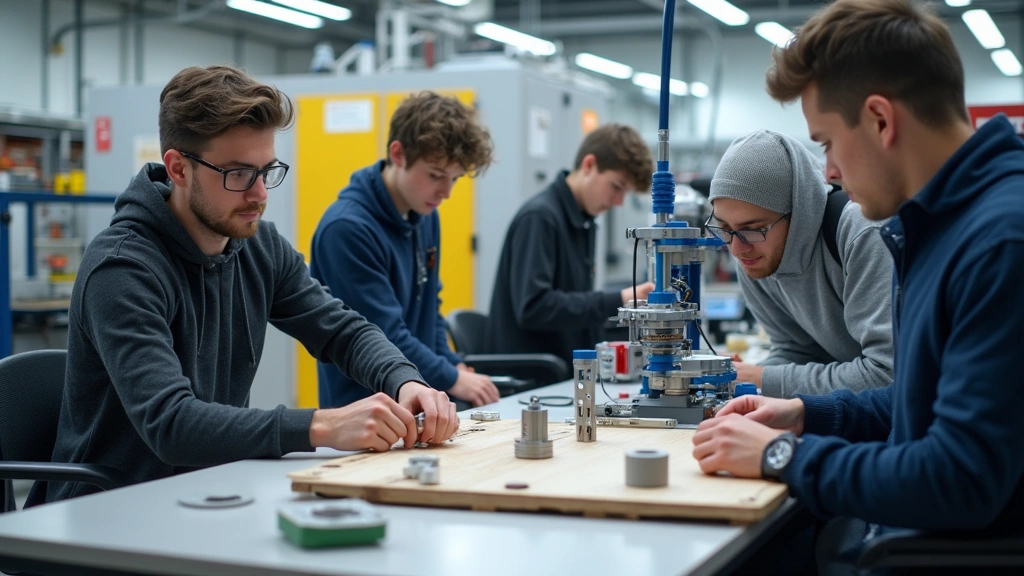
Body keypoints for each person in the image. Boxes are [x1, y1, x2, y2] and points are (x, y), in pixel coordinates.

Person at [692, 0, 1024, 571]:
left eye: (825, 142)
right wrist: (805, 415)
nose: (828, 174)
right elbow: (915, 402)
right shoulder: (942, 226)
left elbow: (960, 479)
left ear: (879, 120)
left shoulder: (1000, 241)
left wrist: (781, 455)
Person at [30, 66, 457, 506]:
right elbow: (171, 423)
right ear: (178, 168)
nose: (259, 194)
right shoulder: (122, 268)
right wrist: (322, 426)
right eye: (238, 174)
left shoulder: (257, 245)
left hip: (204, 494)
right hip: (106, 511)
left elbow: (342, 331)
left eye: (267, 170)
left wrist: (405, 381)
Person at [310, 92, 500, 409]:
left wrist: (452, 365)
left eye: (454, 179)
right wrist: (451, 379)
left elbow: (430, 311)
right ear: (398, 154)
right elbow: (383, 335)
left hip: (421, 398)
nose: (446, 192)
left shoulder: (424, 215)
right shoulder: (346, 230)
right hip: (367, 409)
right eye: (436, 176)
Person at [707, 129, 894, 398]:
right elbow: (798, 351)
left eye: (753, 228)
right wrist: (743, 382)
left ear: (800, 213)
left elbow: (887, 374)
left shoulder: (861, 233)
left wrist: (763, 377)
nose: (737, 248)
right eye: (724, 228)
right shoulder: (753, 255)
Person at [486, 124, 655, 368]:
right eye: (616, 187)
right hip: (536, 374)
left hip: (564, 368)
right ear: (589, 165)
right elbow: (533, 307)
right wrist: (617, 299)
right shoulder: (540, 218)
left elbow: (577, 305)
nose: (618, 202)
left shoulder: (583, 221)